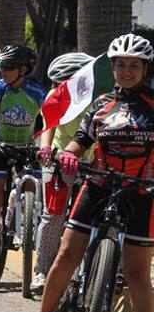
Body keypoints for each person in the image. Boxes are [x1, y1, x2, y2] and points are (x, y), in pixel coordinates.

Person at [29, 34, 154, 312]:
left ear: (144, 68)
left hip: (141, 193)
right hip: (98, 186)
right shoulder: (101, 105)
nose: (127, 71)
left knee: (138, 274)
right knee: (68, 253)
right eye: (121, 65)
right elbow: (80, 140)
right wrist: (69, 156)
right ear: (112, 68)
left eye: (134, 65)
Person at [0, 44, 44, 275]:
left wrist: (44, 146)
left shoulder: (36, 90)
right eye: (2, 66)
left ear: (23, 69)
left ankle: (22, 223)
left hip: (25, 148)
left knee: (32, 189)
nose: (3, 70)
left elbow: (49, 117)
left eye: (8, 66)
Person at [31, 52, 95, 293]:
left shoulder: (97, 97)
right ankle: (41, 271)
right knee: (54, 214)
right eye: (56, 84)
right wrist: (46, 149)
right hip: (59, 158)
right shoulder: (54, 95)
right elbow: (48, 125)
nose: (58, 88)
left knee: (95, 218)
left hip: (91, 161)